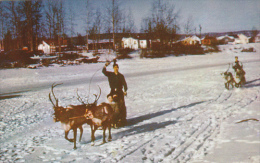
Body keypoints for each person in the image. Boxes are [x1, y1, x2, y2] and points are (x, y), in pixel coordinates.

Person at [102, 60, 128, 126]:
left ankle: (122, 119)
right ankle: (112, 119)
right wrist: (105, 65)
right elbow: (104, 72)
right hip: (113, 91)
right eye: (115, 67)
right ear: (113, 68)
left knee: (121, 105)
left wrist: (125, 91)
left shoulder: (121, 76)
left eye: (117, 67)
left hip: (119, 91)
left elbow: (124, 84)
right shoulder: (110, 75)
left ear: (118, 68)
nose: (116, 69)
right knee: (111, 103)